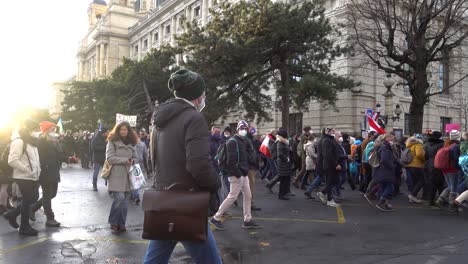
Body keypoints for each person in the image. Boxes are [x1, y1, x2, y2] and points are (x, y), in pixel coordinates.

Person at [143, 69, 222, 264]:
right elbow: (199, 165)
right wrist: (215, 183)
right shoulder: (193, 118)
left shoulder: (159, 121)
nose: (205, 97)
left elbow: (151, 159)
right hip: (187, 203)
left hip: (163, 200)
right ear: (197, 96)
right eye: (203, 92)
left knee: (155, 259)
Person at [210, 120, 261, 230]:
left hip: (243, 173)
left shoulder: (244, 140)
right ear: (238, 129)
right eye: (242, 128)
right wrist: (238, 174)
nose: (244, 130)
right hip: (236, 174)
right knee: (232, 197)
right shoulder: (232, 142)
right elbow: (230, 162)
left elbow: (247, 156)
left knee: (248, 196)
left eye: (245, 129)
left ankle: (247, 220)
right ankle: (216, 217)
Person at [3, 120, 42, 236]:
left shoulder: (32, 142)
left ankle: (12, 214)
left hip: (32, 176)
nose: (37, 132)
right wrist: (27, 169)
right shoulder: (19, 141)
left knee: (32, 198)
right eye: (35, 129)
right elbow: (12, 160)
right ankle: (24, 227)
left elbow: (34, 159)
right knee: (28, 199)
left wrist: (36, 171)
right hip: (23, 176)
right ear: (29, 130)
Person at [30, 121, 65, 227]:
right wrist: (44, 165)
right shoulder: (41, 140)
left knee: (53, 194)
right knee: (47, 195)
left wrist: (69, 159)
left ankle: (33, 208)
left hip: (54, 170)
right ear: (46, 130)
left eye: (54, 129)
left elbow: (59, 155)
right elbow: (38, 156)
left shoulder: (55, 140)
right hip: (45, 171)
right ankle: (50, 218)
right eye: (52, 129)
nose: (54, 131)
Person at [106, 121, 138, 232]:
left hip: (129, 175)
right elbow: (110, 158)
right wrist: (125, 160)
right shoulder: (112, 141)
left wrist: (133, 161)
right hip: (116, 174)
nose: (123, 131)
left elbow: (137, 158)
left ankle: (122, 223)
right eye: (121, 129)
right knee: (119, 198)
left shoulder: (132, 142)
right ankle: (113, 222)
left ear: (129, 131)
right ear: (118, 130)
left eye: (125, 129)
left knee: (125, 202)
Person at [435, 130, 462, 209]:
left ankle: (440, 199)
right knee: (454, 186)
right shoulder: (456, 146)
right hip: (453, 169)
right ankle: (452, 204)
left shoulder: (447, 144)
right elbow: (456, 158)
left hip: (445, 168)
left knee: (450, 186)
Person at [316, 127, 341, 207]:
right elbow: (327, 155)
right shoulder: (326, 140)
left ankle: (323, 192)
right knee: (330, 182)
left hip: (330, 164)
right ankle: (330, 199)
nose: (334, 132)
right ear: (328, 132)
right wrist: (336, 164)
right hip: (329, 165)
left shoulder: (330, 140)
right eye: (333, 131)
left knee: (334, 181)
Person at [373, 134, 397, 211]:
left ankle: (384, 204)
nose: (392, 140)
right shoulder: (385, 147)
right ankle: (381, 203)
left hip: (383, 170)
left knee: (383, 187)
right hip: (385, 170)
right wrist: (392, 166)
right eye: (391, 138)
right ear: (386, 139)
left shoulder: (386, 147)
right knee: (390, 187)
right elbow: (385, 159)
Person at [423, 131, 445, 206]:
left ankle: (431, 200)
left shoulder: (427, 144)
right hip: (438, 164)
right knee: (440, 183)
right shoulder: (442, 144)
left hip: (428, 164)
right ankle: (441, 200)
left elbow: (425, 156)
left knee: (432, 183)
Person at [405, 136, 426, 204]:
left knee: (414, 181)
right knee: (422, 180)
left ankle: (413, 197)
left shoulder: (409, 145)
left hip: (409, 165)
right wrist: (424, 159)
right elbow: (419, 154)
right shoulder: (418, 145)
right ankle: (413, 195)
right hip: (417, 165)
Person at [130, 132, 148, 205]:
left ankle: (135, 196)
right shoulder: (142, 144)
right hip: (140, 164)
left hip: (132, 164)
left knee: (132, 180)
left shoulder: (130, 144)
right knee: (137, 180)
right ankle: (134, 195)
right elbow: (145, 154)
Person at [246, 128, 261, 210]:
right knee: (250, 186)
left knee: (247, 186)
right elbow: (250, 154)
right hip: (250, 166)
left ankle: (250, 203)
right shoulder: (247, 140)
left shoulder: (251, 140)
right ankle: (251, 204)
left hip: (251, 165)